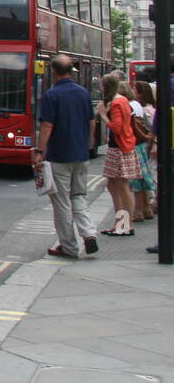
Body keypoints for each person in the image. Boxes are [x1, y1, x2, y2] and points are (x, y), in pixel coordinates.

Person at [34, 54, 99, 259]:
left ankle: (69, 246)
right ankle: (88, 233)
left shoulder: (52, 95)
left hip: (59, 155)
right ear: (72, 71)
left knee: (61, 202)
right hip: (80, 154)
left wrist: (39, 151)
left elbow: (47, 126)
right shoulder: (83, 93)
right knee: (79, 196)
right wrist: (88, 144)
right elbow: (92, 121)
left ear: (53, 72)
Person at [100, 72, 139, 236]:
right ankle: (120, 223)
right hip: (122, 147)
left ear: (106, 86)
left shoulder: (116, 103)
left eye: (101, 85)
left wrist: (102, 114)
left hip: (119, 148)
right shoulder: (121, 100)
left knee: (122, 187)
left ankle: (125, 225)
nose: (100, 88)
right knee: (113, 185)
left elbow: (116, 127)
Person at [132, 81, 157, 221]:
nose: (133, 91)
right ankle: (146, 208)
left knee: (139, 180)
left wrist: (151, 144)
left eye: (135, 89)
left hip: (145, 145)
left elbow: (150, 130)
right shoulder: (148, 108)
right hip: (146, 145)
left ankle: (138, 211)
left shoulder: (145, 110)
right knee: (145, 177)